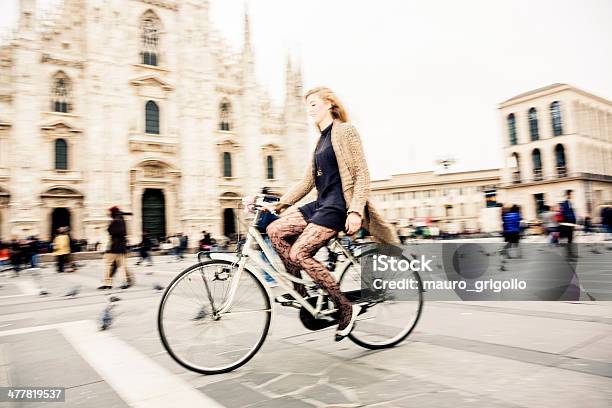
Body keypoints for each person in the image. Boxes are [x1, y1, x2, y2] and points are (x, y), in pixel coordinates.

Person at [266, 86, 399, 341]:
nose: (309, 110)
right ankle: (301, 294)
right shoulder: (320, 140)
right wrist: (280, 204)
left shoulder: (346, 131)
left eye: (313, 104)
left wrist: (355, 211)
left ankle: (345, 307)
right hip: (321, 203)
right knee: (275, 230)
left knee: (298, 252)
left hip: (338, 206)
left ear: (329, 103)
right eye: (307, 106)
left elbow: (362, 174)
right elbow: (306, 182)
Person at [98, 206, 134, 290]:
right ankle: (125, 282)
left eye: (110, 213)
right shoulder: (122, 220)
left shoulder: (116, 221)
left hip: (113, 248)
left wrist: (110, 225)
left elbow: (111, 231)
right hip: (121, 248)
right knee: (122, 266)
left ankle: (108, 284)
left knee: (108, 265)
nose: (109, 214)